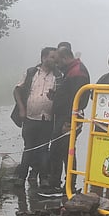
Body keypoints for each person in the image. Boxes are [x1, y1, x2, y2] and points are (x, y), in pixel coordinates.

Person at [44, 43, 89, 193]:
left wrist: (70, 122)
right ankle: (55, 183)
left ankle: (69, 186)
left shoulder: (77, 72)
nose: (57, 65)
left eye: (57, 62)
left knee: (67, 152)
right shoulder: (70, 71)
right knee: (56, 150)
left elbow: (78, 100)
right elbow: (68, 95)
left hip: (69, 119)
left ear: (64, 58)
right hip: (62, 117)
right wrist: (56, 96)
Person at [11, 46, 60, 186]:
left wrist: (54, 97)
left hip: (47, 119)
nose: (55, 60)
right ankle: (21, 177)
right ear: (44, 58)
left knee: (44, 149)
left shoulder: (58, 76)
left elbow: (61, 97)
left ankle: (43, 178)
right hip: (30, 118)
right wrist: (21, 108)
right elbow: (17, 90)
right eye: (52, 57)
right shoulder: (31, 72)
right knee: (28, 147)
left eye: (56, 57)